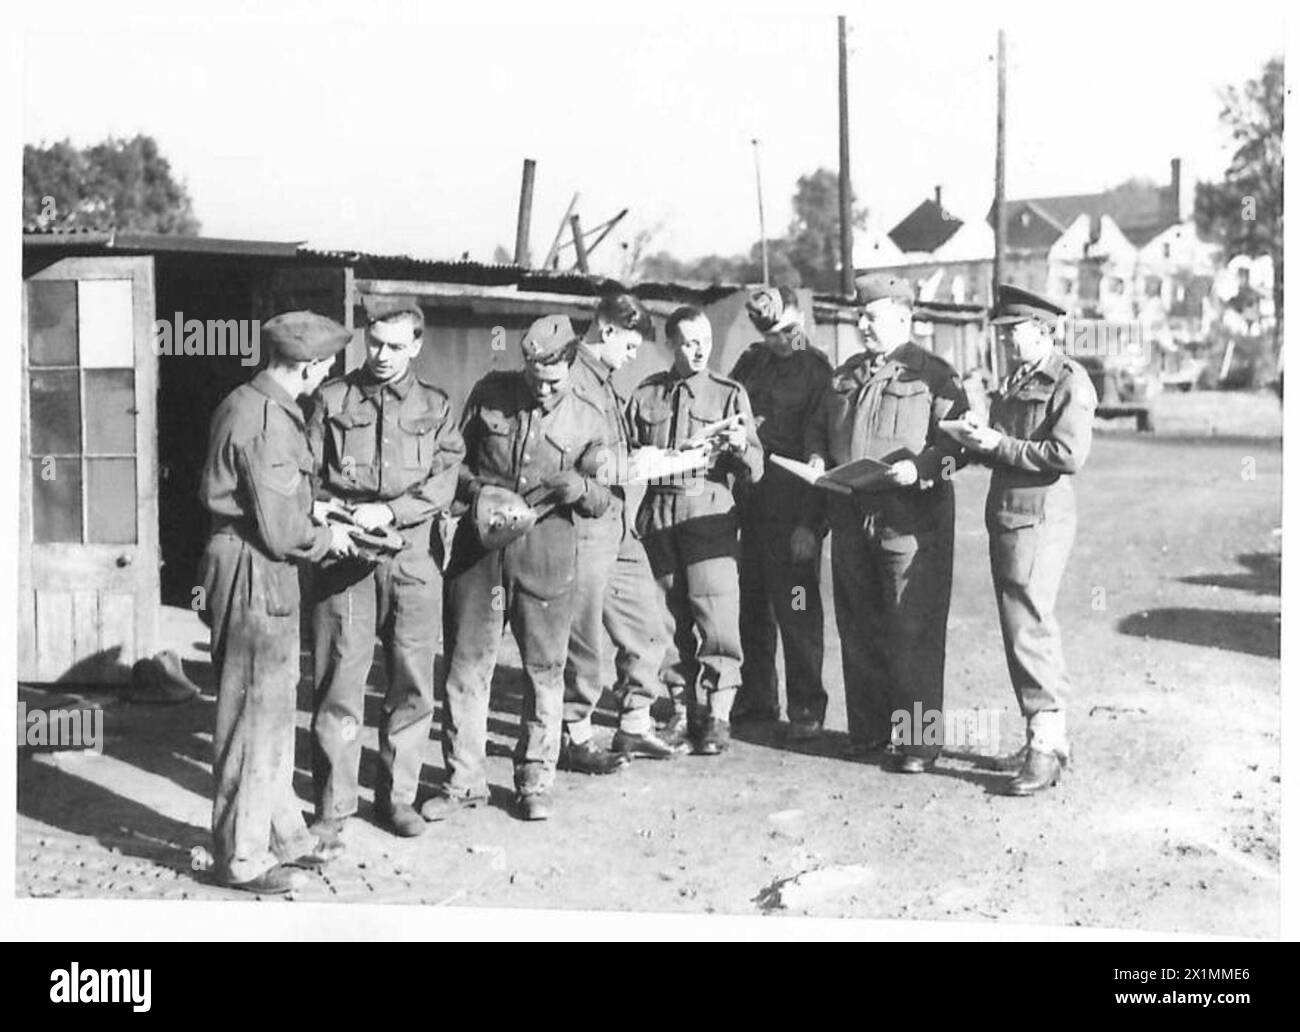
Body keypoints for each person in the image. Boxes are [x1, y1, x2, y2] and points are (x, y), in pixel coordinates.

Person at [425, 315, 612, 822]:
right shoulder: (491, 392)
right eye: (533, 378)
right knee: (466, 666)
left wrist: (583, 491)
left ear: (571, 366)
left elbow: (607, 497)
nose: (542, 390)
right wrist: (476, 491)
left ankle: (534, 781)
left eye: (552, 382)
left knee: (545, 671)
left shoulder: (592, 417)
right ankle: (463, 781)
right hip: (479, 548)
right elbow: (450, 462)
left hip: (547, 550)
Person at [197, 310, 357, 893]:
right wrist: (329, 536)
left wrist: (317, 510)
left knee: (273, 704)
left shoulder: (250, 401)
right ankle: (241, 858)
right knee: (250, 714)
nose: (327, 374)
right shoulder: (268, 420)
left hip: (260, 564)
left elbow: (273, 501)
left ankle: (285, 835)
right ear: (311, 366)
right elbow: (280, 531)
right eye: (327, 366)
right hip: (252, 569)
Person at [307, 296, 465, 840]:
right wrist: (337, 513)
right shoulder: (331, 398)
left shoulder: (439, 406)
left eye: (397, 346)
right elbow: (307, 473)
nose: (382, 355)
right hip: (345, 559)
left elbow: (444, 481)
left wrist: (392, 511)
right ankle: (333, 805)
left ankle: (396, 798)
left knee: (413, 683)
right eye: (374, 342)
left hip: (413, 558)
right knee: (340, 682)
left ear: (416, 345)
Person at [805, 273, 967, 773]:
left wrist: (919, 469)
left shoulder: (935, 375)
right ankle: (870, 730)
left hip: (910, 522)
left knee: (911, 627)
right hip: (851, 516)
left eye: (871, 316)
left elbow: (958, 452)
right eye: (860, 315)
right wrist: (814, 460)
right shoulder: (844, 375)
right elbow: (816, 431)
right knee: (858, 624)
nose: (861, 324)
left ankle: (919, 742)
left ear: (902, 316)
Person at [942, 285, 1097, 795]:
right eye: (1004, 333)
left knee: (1028, 625)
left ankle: (1046, 746)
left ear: (1044, 330)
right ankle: (1045, 737)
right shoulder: (1019, 379)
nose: (1006, 341)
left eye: (1014, 332)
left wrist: (999, 444)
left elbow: (1066, 454)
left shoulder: (1067, 380)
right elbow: (1012, 449)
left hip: (1039, 518)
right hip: (1010, 516)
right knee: (1018, 625)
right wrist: (977, 440)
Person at [628, 306, 764, 755]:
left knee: (718, 616)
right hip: (660, 513)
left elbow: (757, 469)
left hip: (709, 512)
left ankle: (719, 717)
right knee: (666, 621)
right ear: (672, 344)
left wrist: (743, 446)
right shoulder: (647, 394)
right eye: (689, 341)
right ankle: (683, 711)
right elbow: (624, 453)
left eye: (705, 338)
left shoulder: (729, 393)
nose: (700, 348)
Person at [560, 293, 684, 773]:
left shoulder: (605, 380)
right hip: (584, 523)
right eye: (630, 346)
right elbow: (570, 450)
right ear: (607, 330)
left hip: (616, 521)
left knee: (648, 620)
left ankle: (633, 725)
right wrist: (628, 464)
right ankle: (575, 735)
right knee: (583, 635)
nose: (634, 357)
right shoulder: (569, 375)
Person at [729, 286, 832, 739]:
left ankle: (806, 709)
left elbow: (822, 449)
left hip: (794, 504)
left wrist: (811, 524)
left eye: (785, 331)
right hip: (750, 500)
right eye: (769, 333)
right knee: (751, 604)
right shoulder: (752, 362)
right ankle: (757, 698)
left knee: (797, 606)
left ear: (800, 321)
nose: (778, 341)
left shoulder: (817, 369)